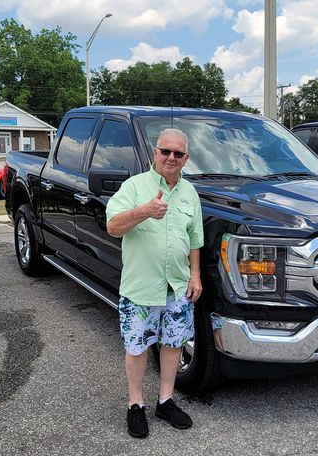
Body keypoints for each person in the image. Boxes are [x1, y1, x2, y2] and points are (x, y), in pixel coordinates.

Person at [106, 128, 203, 438]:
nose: (171, 158)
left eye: (178, 153)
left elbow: (195, 239)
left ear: (186, 159)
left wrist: (196, 274)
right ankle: (136, 405)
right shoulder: (134, 187)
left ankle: (165, 400)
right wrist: (145, 211)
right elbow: (112, 226)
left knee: (173, 344)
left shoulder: (190, 193)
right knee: (137, 348)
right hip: (141, 288)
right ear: (154, 154)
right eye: (165, 151)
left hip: (177, 286)